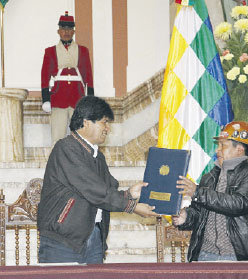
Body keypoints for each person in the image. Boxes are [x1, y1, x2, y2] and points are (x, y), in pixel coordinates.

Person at [37, 96, 159, 264]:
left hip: (94, 238)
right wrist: (132, 206)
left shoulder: (97, 156)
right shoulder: (66, 148)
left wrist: (130, 193)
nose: (107, 129)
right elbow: (94, 190)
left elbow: (107, 190)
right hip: (63, 241)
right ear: (87, 122)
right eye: (104, 122)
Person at [172, 121, 248, 262]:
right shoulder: (209, 178)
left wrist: (197, 192)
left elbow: (238, 204)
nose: (217, 150)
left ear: (239, 149)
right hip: (204, 256)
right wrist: (185, 218)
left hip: (240, 259)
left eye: (222, 145)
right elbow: (199, 213)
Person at [41, 11, 94, 145]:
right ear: (58, 31)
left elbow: (88, 75)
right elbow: (44, 76)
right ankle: (57, 165)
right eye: (63, 29)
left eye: (69, 29)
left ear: (73, 31)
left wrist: (90, 99)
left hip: (78, 99)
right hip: (58, 99)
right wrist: (46, 99)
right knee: (57, 138)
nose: (66, 32)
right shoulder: (50, 51)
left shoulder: (83, 51)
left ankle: (80, 164)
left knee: (81, 138)